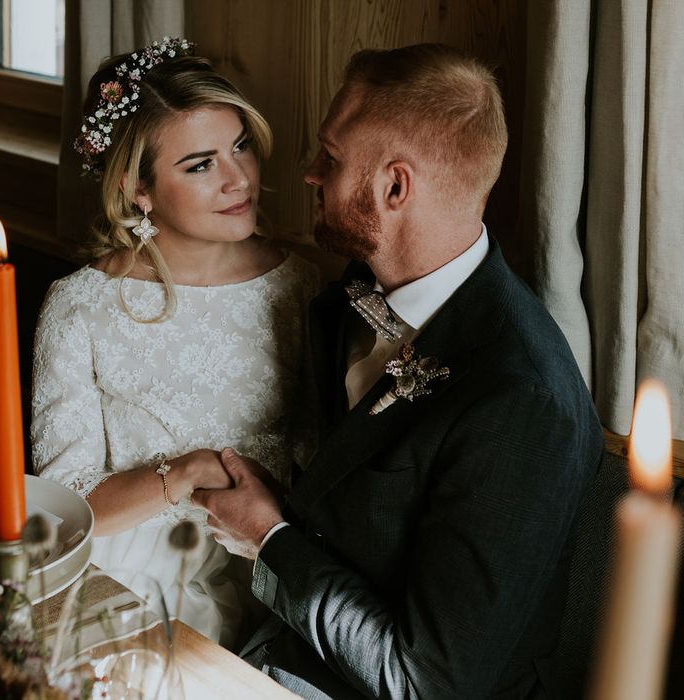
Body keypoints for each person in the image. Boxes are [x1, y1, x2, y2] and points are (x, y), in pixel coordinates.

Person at [193, 43, 604, 698]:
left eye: (329, 158)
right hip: (278, 650)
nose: (308, 174)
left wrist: (270, 539)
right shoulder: (359, 285)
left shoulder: (523, 403)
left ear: (393, 187)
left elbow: (424, 682)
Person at [30, 37, 319, 649]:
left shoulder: (301, 284)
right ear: (140, 189)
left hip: (280, 569)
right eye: (200, 164)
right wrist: (187, 473)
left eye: (240, 146)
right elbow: (65, 510)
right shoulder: (80, 306)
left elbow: (325, 459)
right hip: (126, 578)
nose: (238, 178)